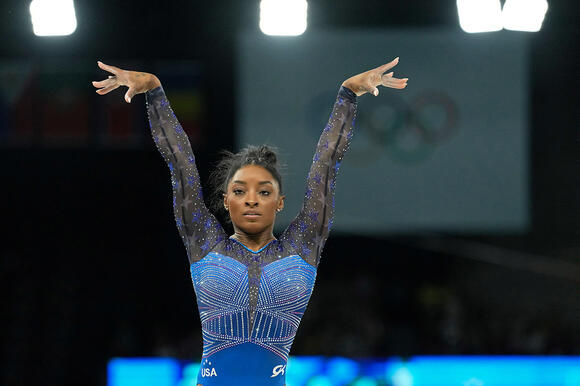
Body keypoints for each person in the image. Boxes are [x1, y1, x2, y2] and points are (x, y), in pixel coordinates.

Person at [92, 58, 407, 386]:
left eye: (264, 191)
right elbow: (179, 161)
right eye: (240, 191)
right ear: (227, 202)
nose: (252, 199)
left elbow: (326, 165)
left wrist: (348, 95)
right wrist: (155, 92)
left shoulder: (303, 244)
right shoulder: (204, 241)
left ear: (280, 202)